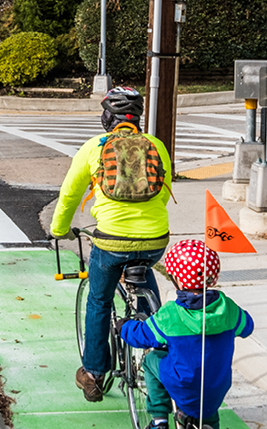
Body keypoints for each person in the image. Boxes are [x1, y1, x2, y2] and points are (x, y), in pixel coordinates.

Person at [50, 86, 172, 402]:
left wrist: (59, 229)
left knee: (99, 301)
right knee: (146, 287)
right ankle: (159, 346)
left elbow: (69, 194)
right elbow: (163, 191)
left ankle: (93, 373)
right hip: (155, 238)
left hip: (112, 240)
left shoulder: (94, 147)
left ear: (108, 118)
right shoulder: (157, 145)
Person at [119, 239, 255, 429]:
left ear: (177, 279)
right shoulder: (229, 309)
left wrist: (124, 327)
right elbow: (248, 327)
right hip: (217, 387)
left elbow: (140, 336)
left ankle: (159, 420)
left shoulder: (171, 315)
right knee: (207, 409)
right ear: (213, 278)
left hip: (182, 384)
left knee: (151, 361)